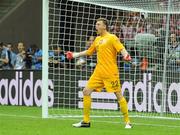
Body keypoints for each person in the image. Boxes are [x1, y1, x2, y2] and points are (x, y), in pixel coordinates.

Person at [66, 18, 132, 128]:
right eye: (96, 24)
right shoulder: (97, 39)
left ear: (104, 26)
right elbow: (89, 52)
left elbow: (121, 49)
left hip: (110, 72)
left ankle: (127, 122)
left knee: (118, 95)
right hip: (98, 72)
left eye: (98, 24)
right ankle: (86, 122)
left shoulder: (112, 38)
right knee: (86, 91)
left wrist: (126, 55)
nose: (96, 26)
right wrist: (74, 55)